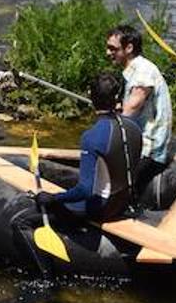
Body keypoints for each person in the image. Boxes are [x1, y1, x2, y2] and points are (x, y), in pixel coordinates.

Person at [34, 72, 142, 223]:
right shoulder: (134, 127)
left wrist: (53, 198)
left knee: (26, 218)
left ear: (91, 98)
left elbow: (85, 190)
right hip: (126, 201)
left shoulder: (91, 137)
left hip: (104, 208)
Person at [104, 24, 172, 190]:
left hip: (149, 148)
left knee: (118, 188)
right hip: (139, 140)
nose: (108, 53)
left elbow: (128, 112)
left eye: (113, 49)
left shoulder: (143, 72)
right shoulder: (134, 70)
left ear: (129, 48)